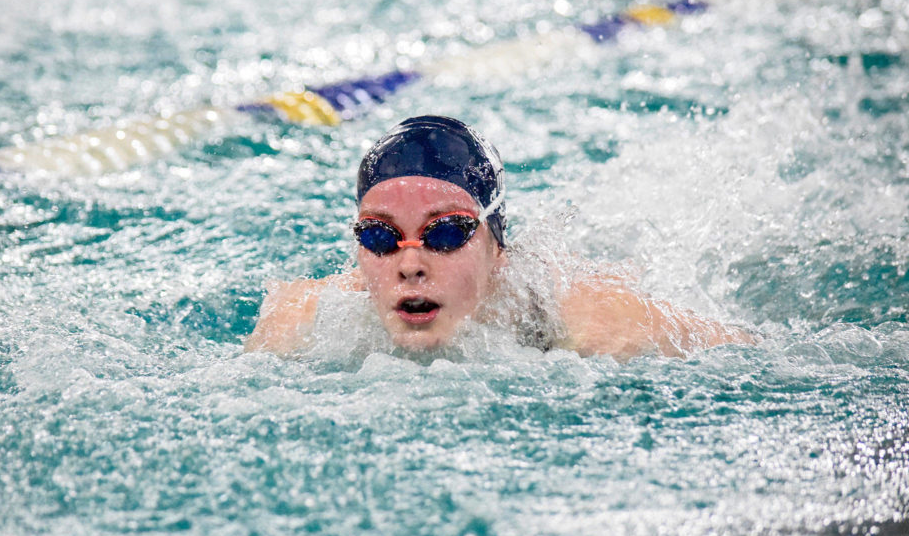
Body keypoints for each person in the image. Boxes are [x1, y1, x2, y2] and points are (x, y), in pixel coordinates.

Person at [245, 115, 755, 359]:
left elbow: (757, 354)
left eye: (445, 232)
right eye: (380, 236)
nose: (409, 264)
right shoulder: (300, 322)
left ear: (497, 248)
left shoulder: (593, 323)